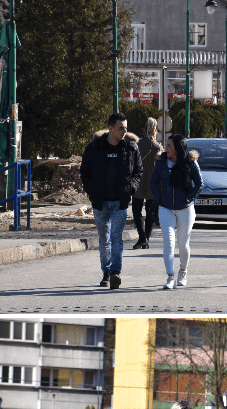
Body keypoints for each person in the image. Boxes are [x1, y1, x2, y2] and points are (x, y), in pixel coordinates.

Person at [79, 112, 142, 290]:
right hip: (100, 202)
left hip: (120, 202)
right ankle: (106, 272)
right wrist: (91, 192)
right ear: (111, 128)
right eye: (121, 128)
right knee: (104, 238)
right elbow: (85, 172)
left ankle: (115, 273)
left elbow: (138, 171)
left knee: (116, 238)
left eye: (126, 128)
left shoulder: (131, 148)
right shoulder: (94, 148)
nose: (124, 132)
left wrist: (132, 188)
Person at [149, 134, 204, 290]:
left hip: (185, 209)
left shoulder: (190, 163)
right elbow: (153, 181)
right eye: (166, 144)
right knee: (168, 243)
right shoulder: (161, 163)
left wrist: (188, 198)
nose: (166, 148)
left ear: (178, 149)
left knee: (182, 244)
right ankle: (170, 276)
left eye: (170, 145)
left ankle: (183, 271)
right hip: (165, 208)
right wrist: (159, 197)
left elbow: (200, 184)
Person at [131, 117, 162, 250]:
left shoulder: (137, 145)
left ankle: (142, 239)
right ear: (155, 131)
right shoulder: (158, 147)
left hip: (138, 183)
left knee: (137, 211)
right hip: (152, 185)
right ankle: (146, 240)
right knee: (150, 213)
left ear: (144, 130)